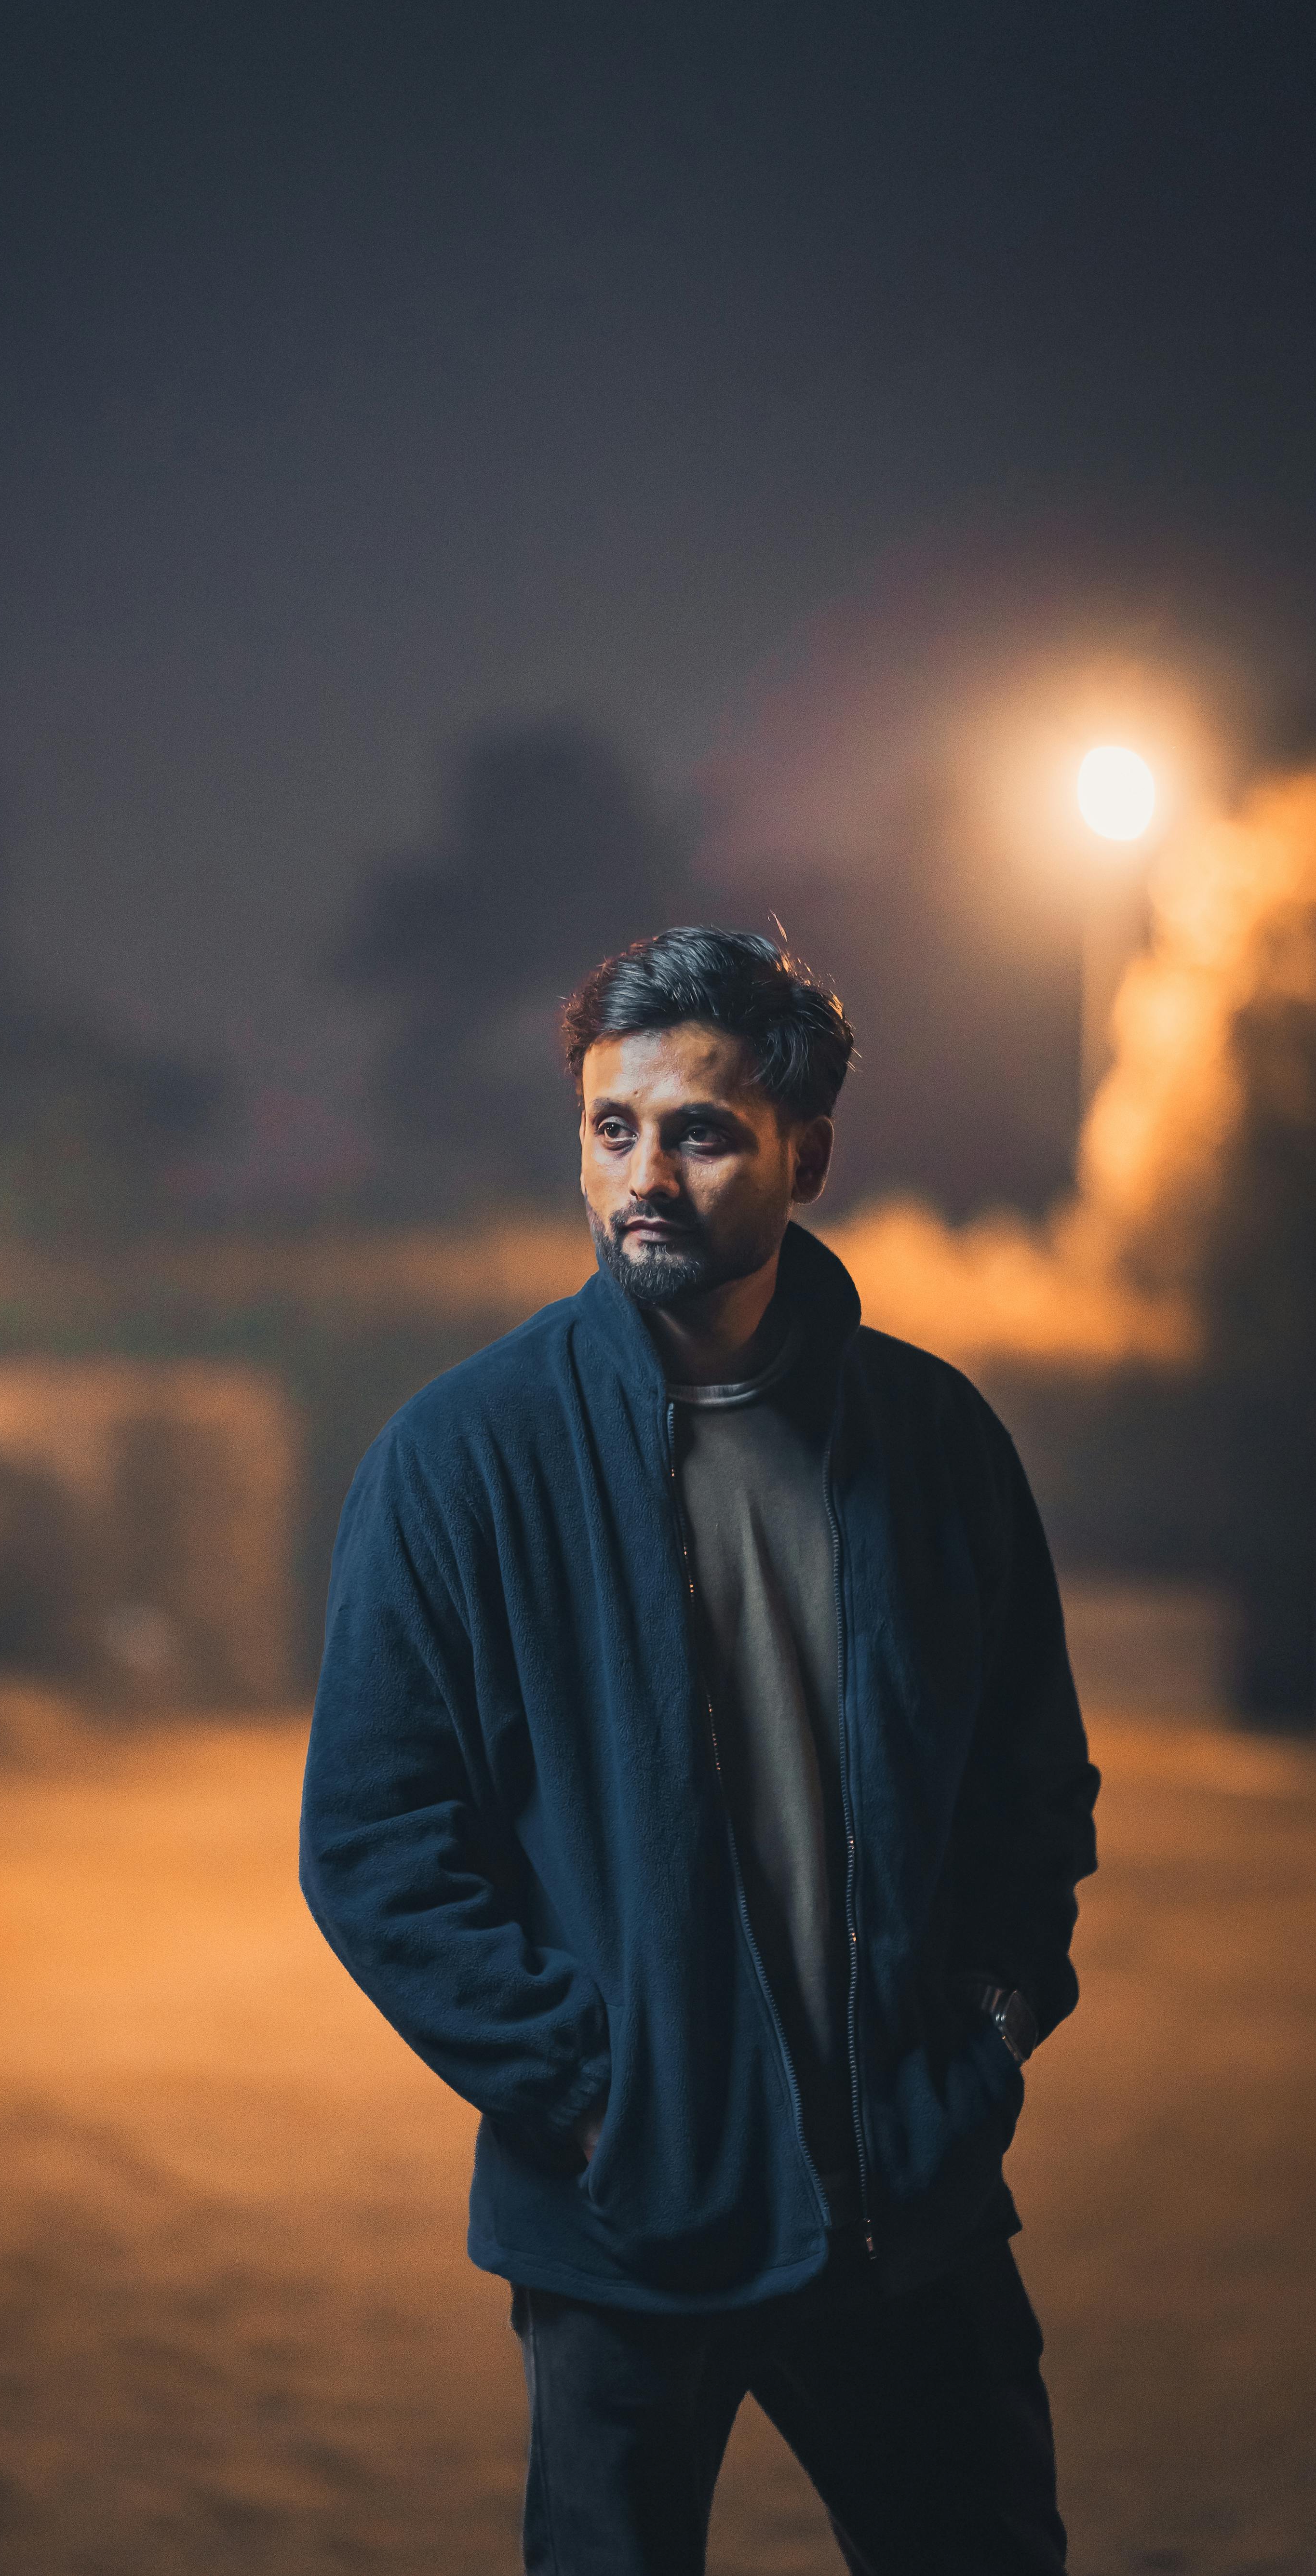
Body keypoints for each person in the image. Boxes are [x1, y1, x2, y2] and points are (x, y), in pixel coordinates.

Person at [300, 926, 1099, 2575]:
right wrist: (597, 2097)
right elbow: (375, 1845)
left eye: (701, 1130)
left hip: (907, 2203)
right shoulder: (461, 1457)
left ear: (805, 1153)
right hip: (624, 2222)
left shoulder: (934, 1441)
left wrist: (991, 2030)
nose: (644, 1174)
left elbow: (1036, 1788)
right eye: (612, 1129)